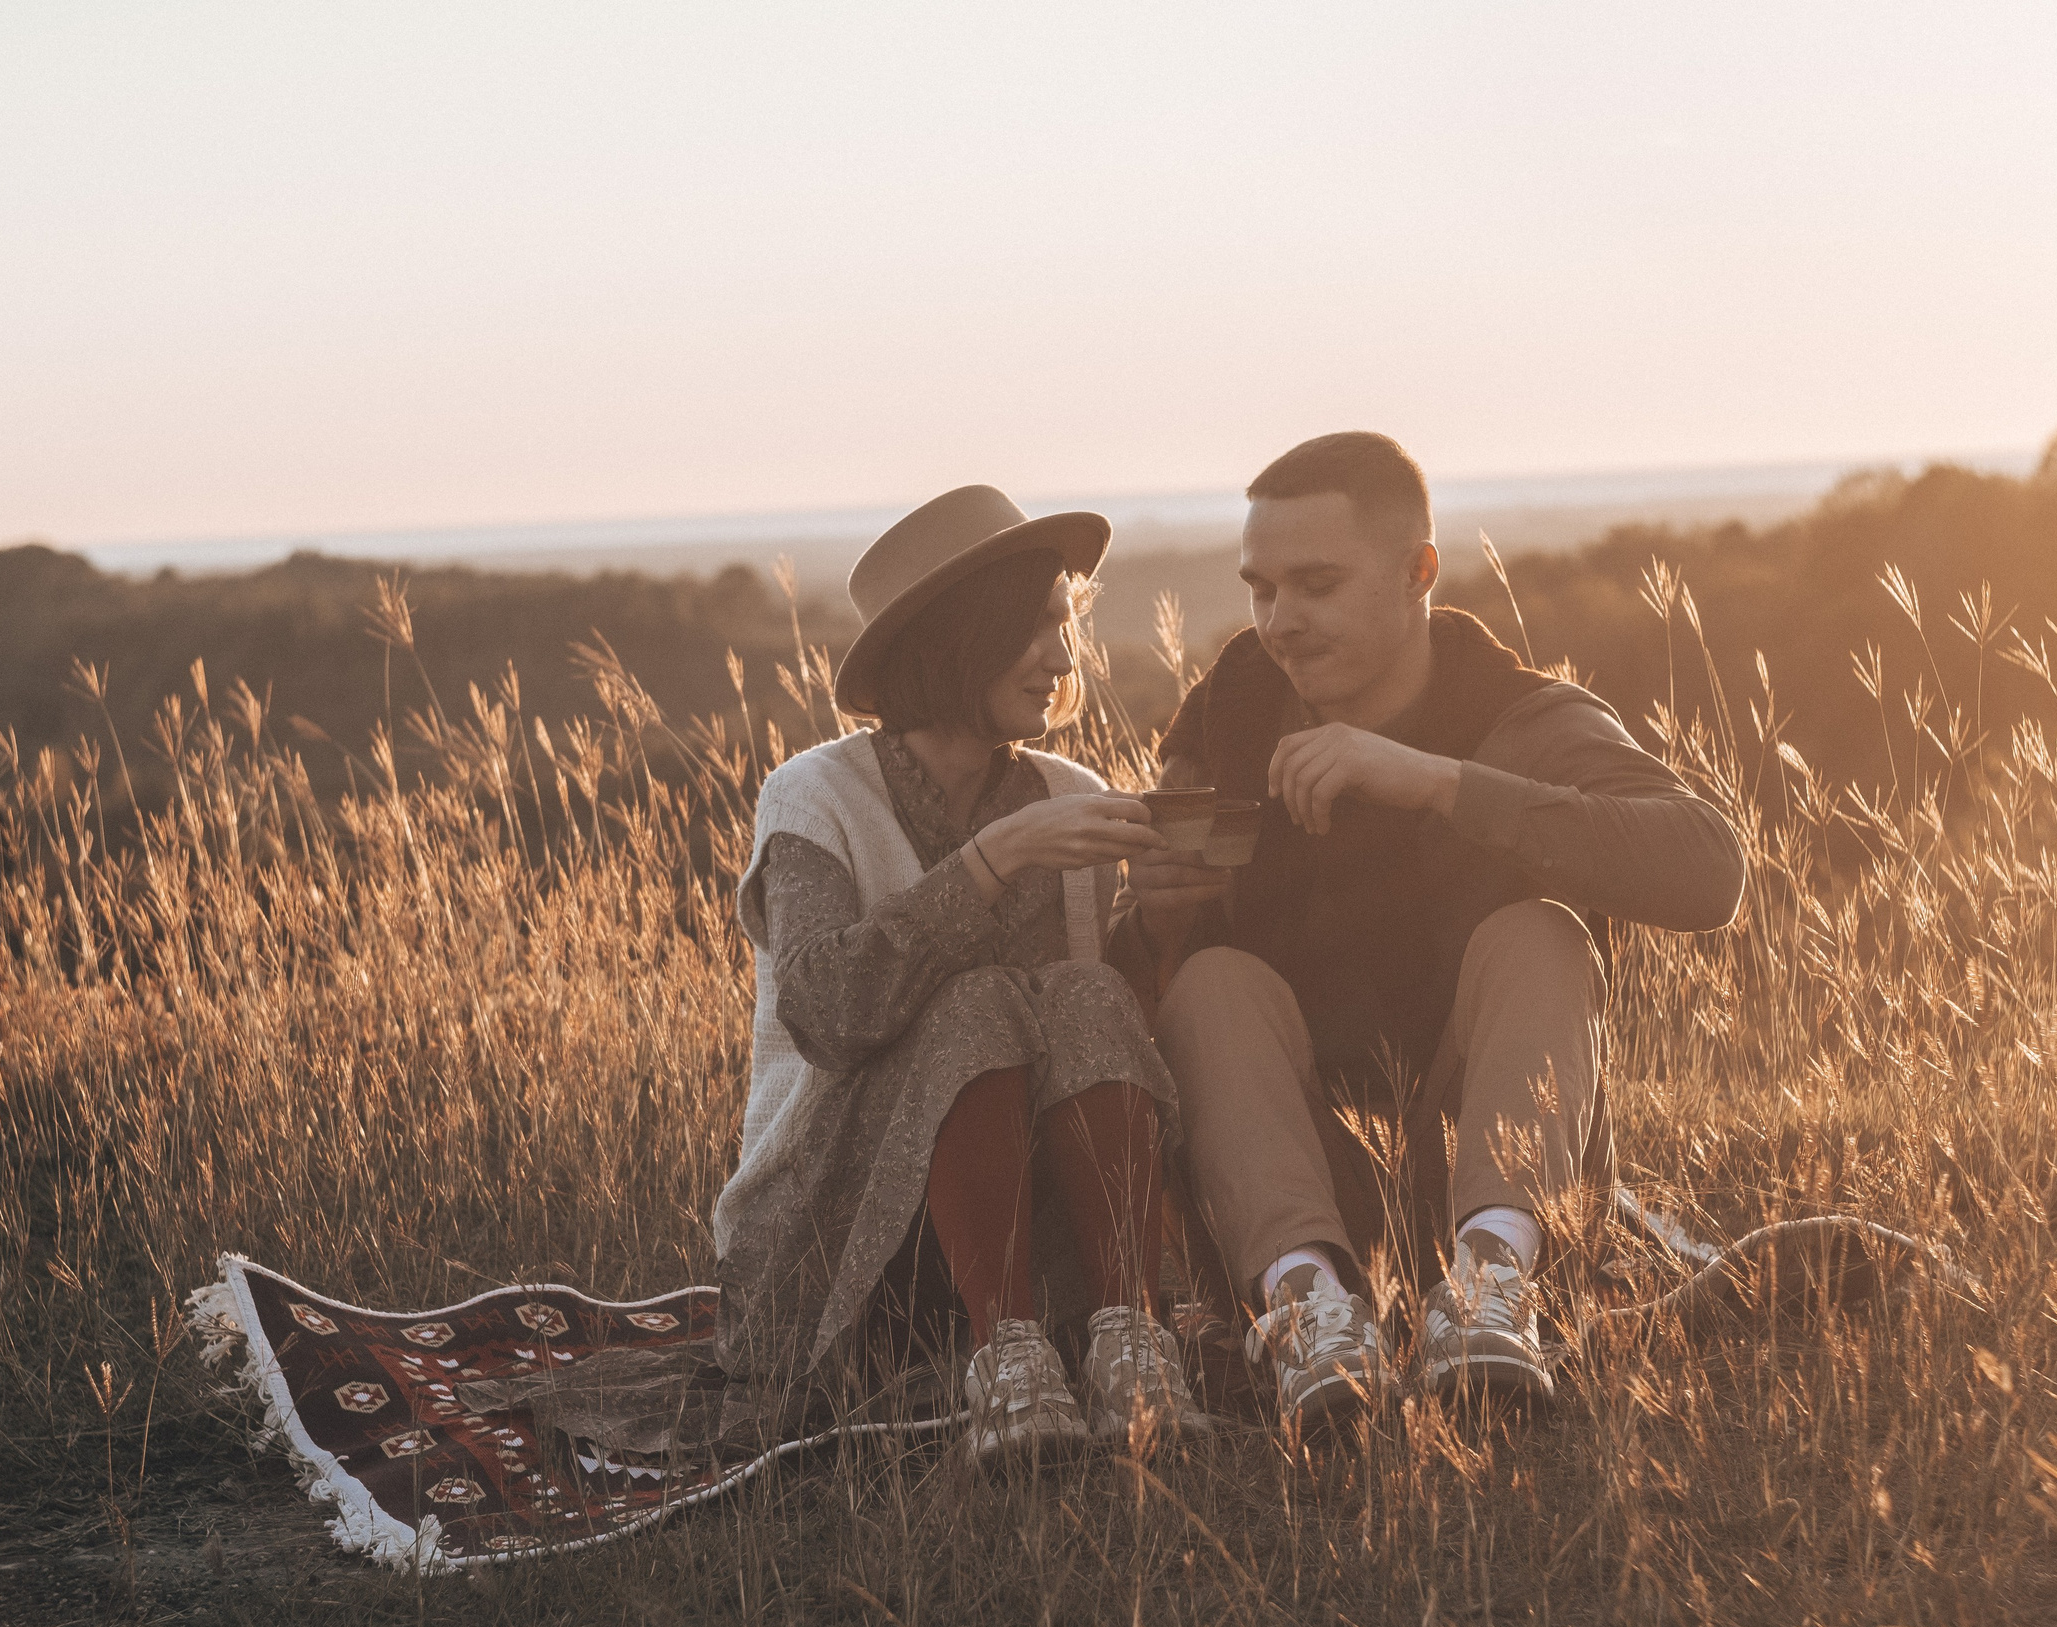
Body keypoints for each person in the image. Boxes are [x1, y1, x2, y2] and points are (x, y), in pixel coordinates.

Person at [1112, 433, 1746, 1427]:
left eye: (1315, 585)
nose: (1281, 622)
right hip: (1295, 1187)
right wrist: (1151, 913)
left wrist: (1439, 784)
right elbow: (1142, 1010)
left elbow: (1710, 870)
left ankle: (1494, 1291)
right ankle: (1305, 1315)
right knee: (1211, 982)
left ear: (1420, 573)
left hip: (1491, 1170)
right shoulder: (1230, 717)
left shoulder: (1521, 714)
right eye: (1261, 589)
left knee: (1538, 934)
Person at [714, 484, 1213, 1468]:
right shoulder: (813, 797)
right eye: (1034, 629)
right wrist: (994, 862)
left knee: (1082, 993)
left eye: (1064, 629)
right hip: (841, 1238)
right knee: (978, 1000)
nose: (1064, 660)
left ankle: (1125, 1338)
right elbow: (826, 1011)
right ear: (955, 638)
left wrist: (1162, 919)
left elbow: (1105, 1039)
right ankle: (1006, 1361)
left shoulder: (1071, 798)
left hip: (1039, 1235)